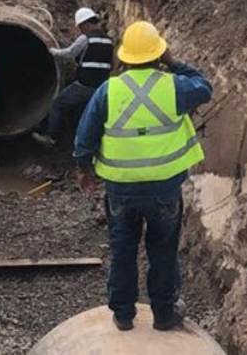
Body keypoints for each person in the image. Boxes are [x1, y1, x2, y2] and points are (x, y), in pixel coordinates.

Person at [73, 21, 212, 332]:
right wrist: (174, 62)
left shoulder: (109, 91)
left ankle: (123, 315)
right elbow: (204, 86)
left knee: (122, 249)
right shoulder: (175, 87)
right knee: (163, 249)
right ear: (158, 54)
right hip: (164, 188)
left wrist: (84, 170)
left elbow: (84, 138)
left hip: (121, 189)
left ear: (124, 57)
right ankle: (163, 313)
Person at [32, 7, 113, 147]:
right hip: (101, 87)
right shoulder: (109, 41)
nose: (81, 30)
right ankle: (83, 140)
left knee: (58, 103)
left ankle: (50, 137)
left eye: (81, 27)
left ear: (85, 24)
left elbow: (70, 54)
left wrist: (51, 51)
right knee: (85, 111)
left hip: (84, 84)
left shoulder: (86, 38)